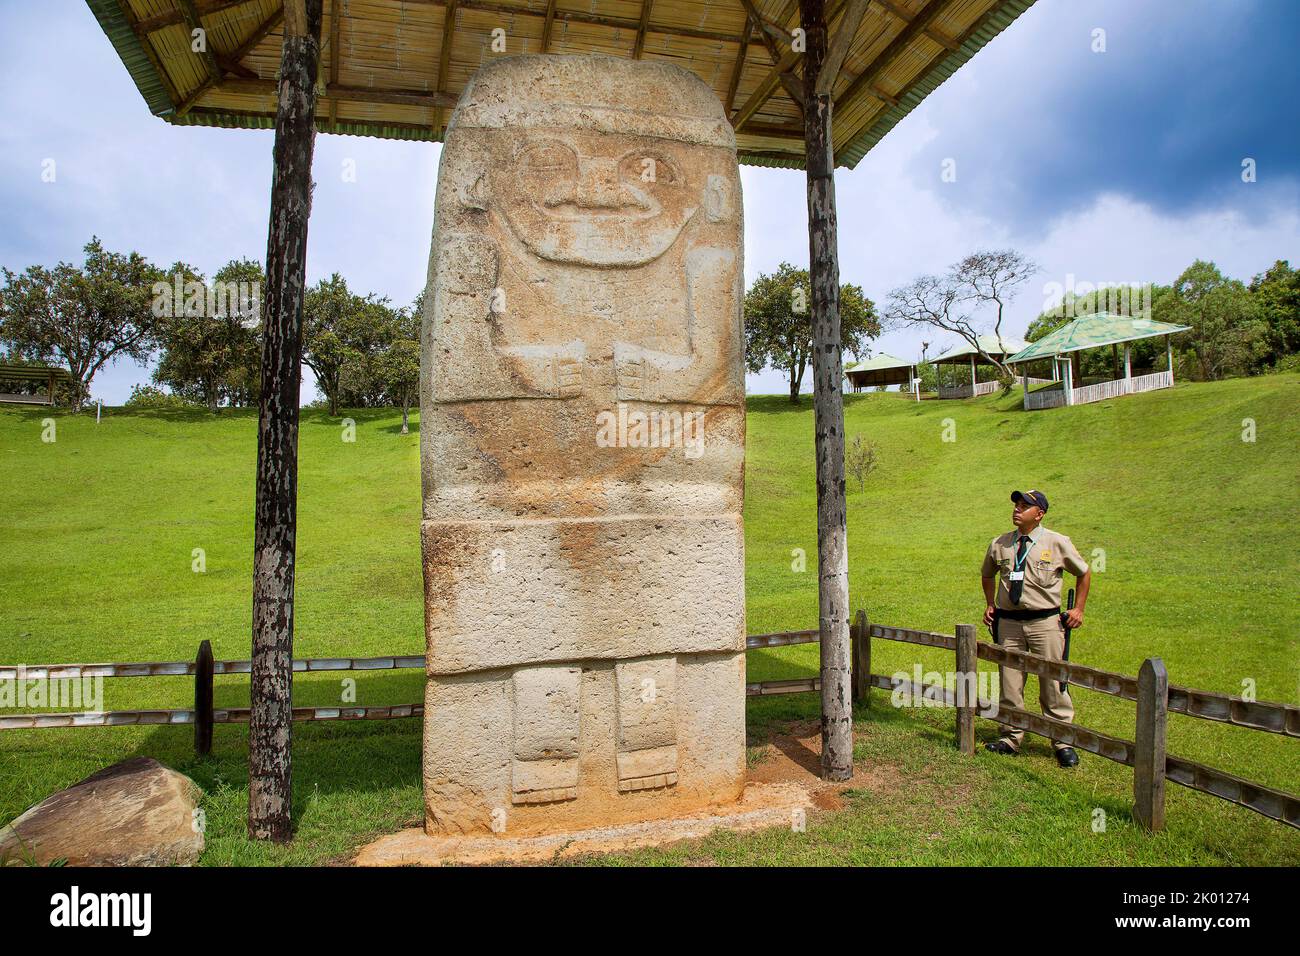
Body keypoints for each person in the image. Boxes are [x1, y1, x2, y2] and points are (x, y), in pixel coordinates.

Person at [980, 489, 1091, 767]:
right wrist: (990, 603)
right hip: (1009, 625)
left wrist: (1078, 609)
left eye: (1024, 506)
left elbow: (1084, 572)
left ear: (1039, 514)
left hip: (1046, 624)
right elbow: (987, 573)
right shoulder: (1000, 544)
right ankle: (1010, 737)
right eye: (1016, 505)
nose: (1017, 510)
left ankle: (1062, 740)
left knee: (1053, 682)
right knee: (1010, 683)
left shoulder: (1057, 542)